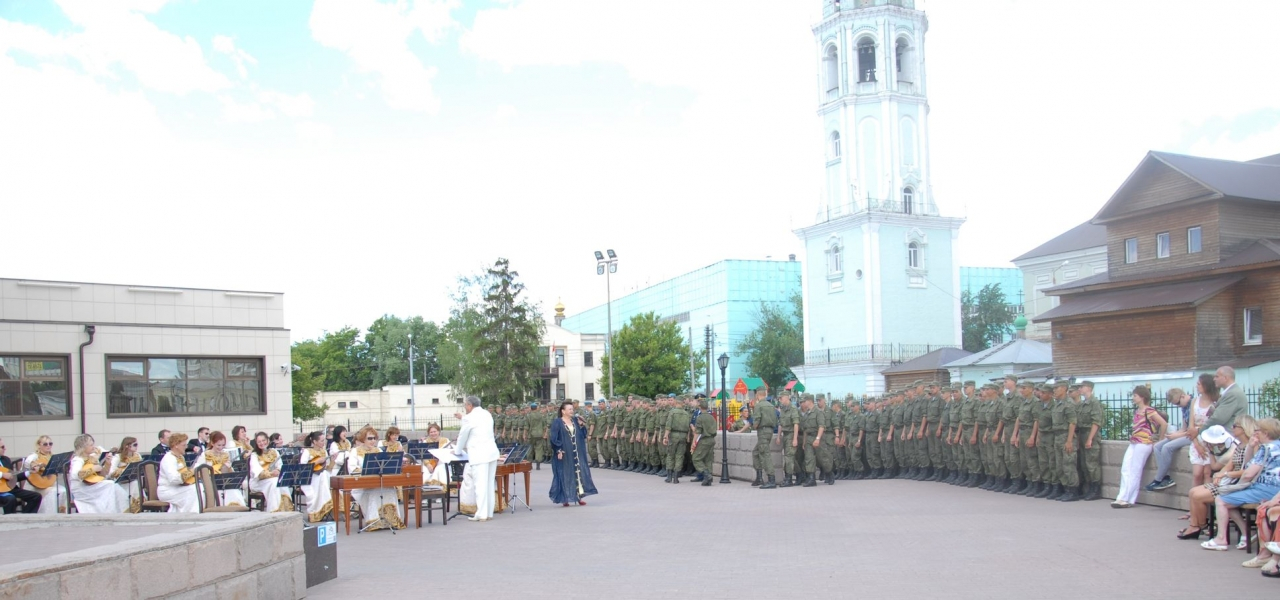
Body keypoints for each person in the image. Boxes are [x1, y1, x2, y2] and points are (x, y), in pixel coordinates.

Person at [1202, 418, 1280, 552]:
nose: (1256, 433)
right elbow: (1248, 464)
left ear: (1266, 433)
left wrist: (1240, 483)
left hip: (1265, 489)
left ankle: (1221, 539)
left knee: (1221, 500)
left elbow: (1249, 473)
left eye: (1258, 430)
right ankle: (1245, 535)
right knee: (1229, 498)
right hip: (1274, 489)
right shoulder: (1276, 445)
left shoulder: (1265, 448)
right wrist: (1250, 446)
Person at [1178, 418, 1257, 540]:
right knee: (1193, 492)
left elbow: (1250, 471)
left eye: (1235, 426)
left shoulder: (1252, 447)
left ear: (1243, 428)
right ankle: (1195, 525)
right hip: (1230, 481)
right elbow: (1229, 465)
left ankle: (1200, 526)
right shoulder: (1239, 446)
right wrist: (1219, 475)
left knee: (1198, 496)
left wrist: (1225, 475)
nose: (1232, 428)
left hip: (1238, 483)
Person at [1112, 385, 1167, 508]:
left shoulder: (1149, 411)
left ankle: (1127, 499)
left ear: (1142, 397)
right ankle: (1121, 496)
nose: (1133, 398)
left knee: (1135, 470)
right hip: (1134, 442)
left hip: (1144, 442)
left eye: (1135, 395)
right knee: (1125, 468)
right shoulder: (1137, 411)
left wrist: (1160, 440)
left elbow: (1163, 423)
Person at [455, 395, 499, 522]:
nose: (465, 408)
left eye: (465, 405)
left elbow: (462, 436)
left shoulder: (469, 418)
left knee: (480, 485)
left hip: (479, 454)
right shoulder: (487, 414)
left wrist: (457, 451)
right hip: (491, 453)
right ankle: (489, 512)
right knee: (489, 484)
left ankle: (481, 514)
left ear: (470, 405)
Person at [549, 400, 597, 506]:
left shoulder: (575, 420)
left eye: (572, 409)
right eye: (569, 409)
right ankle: (565, 498)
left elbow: (583, 435)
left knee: (578, 472)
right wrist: (558, 450)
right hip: (564, 452)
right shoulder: (557, 422)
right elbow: (554, 438)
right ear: (563, 411)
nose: (572, 411)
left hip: (577, 452)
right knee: (565, 473)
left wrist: (581, 425)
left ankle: (579, 496)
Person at [1146, 387, 1193, 492]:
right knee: (1157, 446)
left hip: (1193, 436)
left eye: (1178, 403)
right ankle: (1166, 477)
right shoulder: (1184, 407)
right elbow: (1184, 428)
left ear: (1182, 396)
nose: (1178, 406)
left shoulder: (1194, 404)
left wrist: (1177, 436)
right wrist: (1174, 434)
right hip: (1185, 433)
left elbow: (1193, 430)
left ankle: (1158, 479)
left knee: (1167, 447)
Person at [69, 434, 120, 513]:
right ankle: (109, 512)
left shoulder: (92, 458)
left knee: (113, 485)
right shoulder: (78, 459)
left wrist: (107, 463)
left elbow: (102, 476)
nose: (94, 447)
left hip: (91, 486)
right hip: (81, 489)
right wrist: (93, 469)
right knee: (110, 485)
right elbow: (75, 475)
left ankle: (115, 511)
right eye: (91, 445)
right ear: (83, 447)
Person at [196, 432, 244, 507]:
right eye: (218, 445)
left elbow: (230, 472)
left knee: (234, 490)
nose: (221, 447)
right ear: (212, 443)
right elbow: (199, 470)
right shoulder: (205, 454)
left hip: (224, 482)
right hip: (210, 482)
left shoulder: (225, 454)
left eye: (223, 445)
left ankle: (234, 508)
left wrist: (228, 467)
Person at [249, 431, 291, 513]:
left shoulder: (274, 452)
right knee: (274, 482)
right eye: (259, 442)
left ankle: (286, 511)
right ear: (256, 443)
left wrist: (278, 471)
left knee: (281, 482)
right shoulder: (254, 455)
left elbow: (280, 465)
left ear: (268, 440)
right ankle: (274, 511)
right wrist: (271, 474)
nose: (262, 443)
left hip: (273, 479)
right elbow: (257, 472)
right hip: (258, 482)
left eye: (263, 440)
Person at [157, 433, 199, 513]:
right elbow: (174, 479)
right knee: (193, 490)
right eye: (184, 445)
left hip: (177, 488)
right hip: (167, 490)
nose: (186, 447)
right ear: (176, 445)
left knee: (198, 487)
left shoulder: (180, 457)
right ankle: (190, 514)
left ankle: (190, 512)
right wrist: (191, 471)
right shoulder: (169, 459)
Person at [0, 438, 42, 514]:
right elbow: (5, 475)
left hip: (10, 488)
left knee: (36, 497)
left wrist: (29, 472)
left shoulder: (6, 460)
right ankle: (10, 520)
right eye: (2, 447)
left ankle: (25, 518)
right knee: (10, 499)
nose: (5, 449)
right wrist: (2, 474)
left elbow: (14, 477)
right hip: (1, 492)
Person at [299, 431, 332, 522]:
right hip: (309, 477)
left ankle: (323, 509)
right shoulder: (307, 451)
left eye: (324, 440)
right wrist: (317, 462)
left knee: (324, 475)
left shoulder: (324, 451)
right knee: (322, 477)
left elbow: (328, 466)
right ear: (314, 441)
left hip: (321, 475)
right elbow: (303, 467)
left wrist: (331, 461)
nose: (324, 442)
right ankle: (314, 512)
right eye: (321, 440)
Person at [24, 435, 59, 514]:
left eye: (50, 443)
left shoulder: (53, 457)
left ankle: (61, 514)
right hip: (36, 486)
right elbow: (28, 462)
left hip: (50, 483)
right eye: (45, 444)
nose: (48, 446)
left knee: (62, 491)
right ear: (39, 445)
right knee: (53, 491)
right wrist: (36, 465)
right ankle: (48, 515)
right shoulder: (34, 455)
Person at [108, 436, 143, 512]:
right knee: (135, 484)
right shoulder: (118, 456)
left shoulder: (137, 455)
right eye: (135, 445)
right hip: (121, 483)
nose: (137, 447)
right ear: (127, 446)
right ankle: (129, 508)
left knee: (135, 483)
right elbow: (110, 472)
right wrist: (122, 470)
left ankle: (137, 507)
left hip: (133, 480)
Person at [691, 398, 719, 486]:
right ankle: (709, 478)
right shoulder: (712, 417)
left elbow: (697, 432)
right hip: (712, 439)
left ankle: (706, 474)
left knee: (696, 458)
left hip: (704, 440)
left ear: (700, 407)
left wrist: (693, 443)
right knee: (708, 459)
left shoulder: (700, 417)